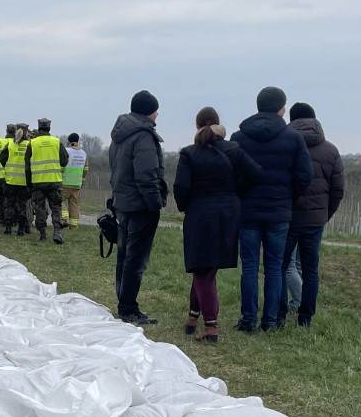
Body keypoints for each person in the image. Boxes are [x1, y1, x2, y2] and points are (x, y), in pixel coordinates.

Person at [173, 107, 262, 344]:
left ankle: (211, 326)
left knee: (202, 268)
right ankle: (193, 317)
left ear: (197, 125)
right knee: (205, 267)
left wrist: (186, 206)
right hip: (228, 213)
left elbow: (181, 187)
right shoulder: (233, 149)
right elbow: (255, 174)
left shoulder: (189, 153)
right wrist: (234, 192)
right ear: (219, 125)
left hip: (200, 213)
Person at [231, 86, 312, 332]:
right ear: (282, 108)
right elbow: (305, 175)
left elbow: (231, 174)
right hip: (279, 211)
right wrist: (289, 196)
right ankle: (270, 321)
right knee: (275, 267)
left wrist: (241, 194)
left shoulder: (239, 137)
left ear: (258, 106)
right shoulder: (293, 138)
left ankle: (248, 320)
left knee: (250, 266)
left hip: (248, 210)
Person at [279, 102, 345, 328]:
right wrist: (325, 214)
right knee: (310, 269)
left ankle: (278, 314)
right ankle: (305, 318)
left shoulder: (285, 145)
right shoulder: (330, 150)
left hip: (287, 217)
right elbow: (338, 190)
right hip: (315, 221)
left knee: (280, 266)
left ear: (292, 121)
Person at [108, 89, 167, 324]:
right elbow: (146, 174)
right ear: (148, 111)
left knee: (124, 255)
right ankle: (129, 308)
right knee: (136, 259)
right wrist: (155, 203)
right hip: (141, 205)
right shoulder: (143, 136)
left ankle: (123, 302)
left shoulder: (120, 134)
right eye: (156, 110)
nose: (157, 115)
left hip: (122, 202)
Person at [25, 117, 69, 243]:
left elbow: (27, 167)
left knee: (39, 208)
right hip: (54, 181)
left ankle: (43, 234)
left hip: (38, 182)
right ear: (49, 128)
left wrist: (29, 184)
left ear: (39, 128)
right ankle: (57, 232)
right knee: (56, 207)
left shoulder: (32, 143)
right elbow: (65, 161)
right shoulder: (56, 142)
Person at [0, 124, 30, 235]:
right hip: (24, 181)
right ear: (26, 133)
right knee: (22, 205)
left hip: (11, 180)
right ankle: (21, 229)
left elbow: (2, 158)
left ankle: (8, 228)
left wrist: (8, 167)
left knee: (9, 204)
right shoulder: (29, 145)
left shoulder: (10, 144)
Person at [63, 133, 89, 229]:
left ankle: (64, 219)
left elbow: (61, 166)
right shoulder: (84, 153)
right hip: (77, 183)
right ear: (78, 141)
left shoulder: (66, 151)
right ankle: (74, 224)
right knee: (74, 204)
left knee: (59, 200)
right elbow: (86, 169)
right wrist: (82, 181)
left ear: (69, 142)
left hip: (65, 183)